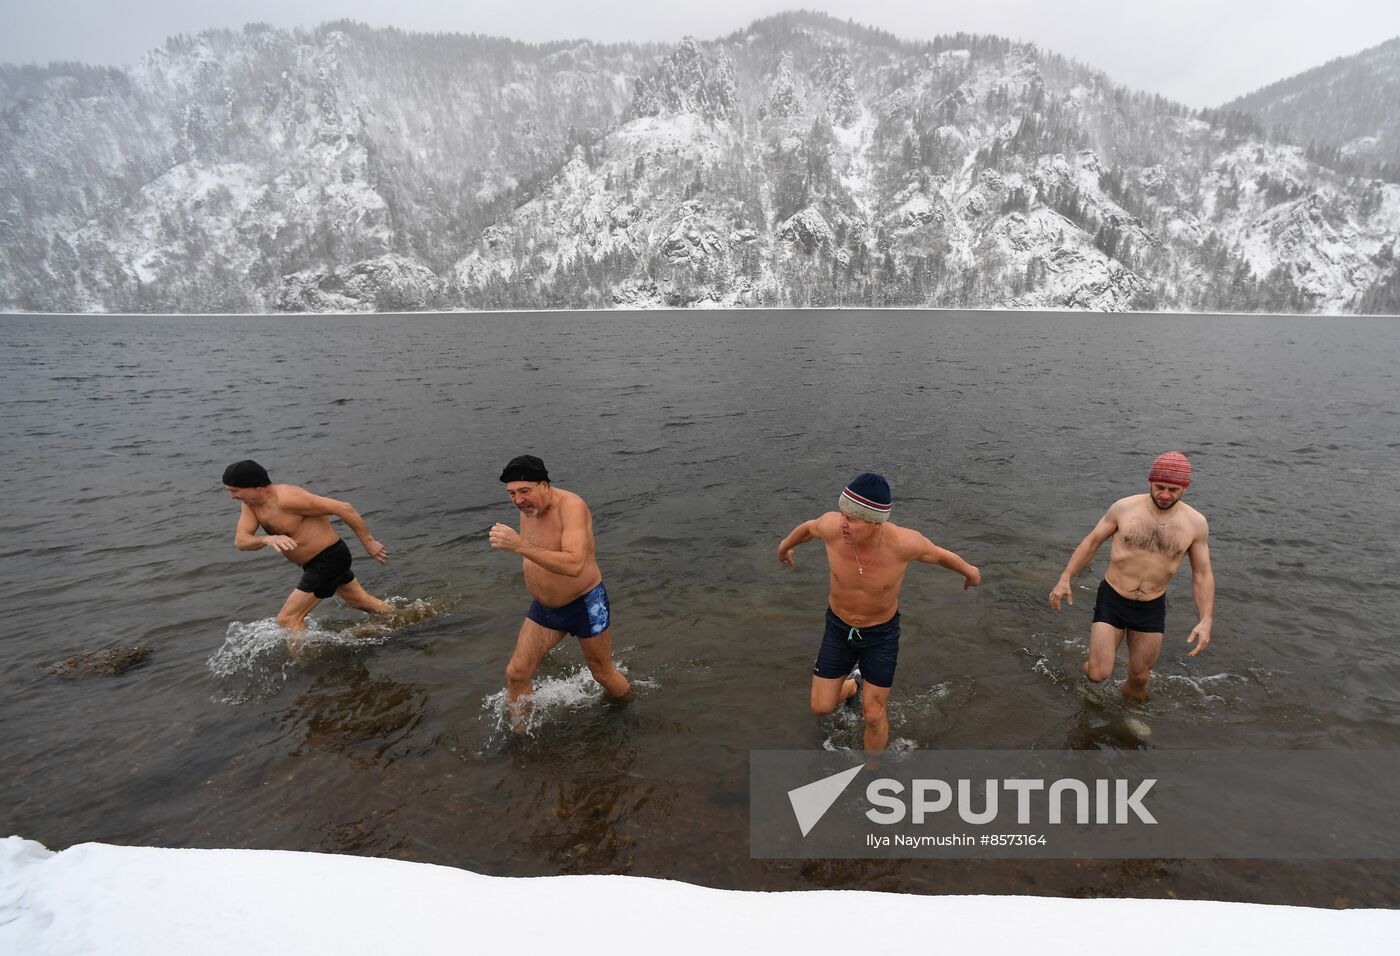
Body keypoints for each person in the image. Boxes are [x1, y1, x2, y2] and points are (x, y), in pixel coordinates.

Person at [777, 472, 981, 752]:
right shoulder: (832, 528)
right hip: (838, 628)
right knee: (821, 706)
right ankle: (851, 687)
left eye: (852, 518)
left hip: (881, 635)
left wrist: (971, 573)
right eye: (841, 513)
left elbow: (940, 555)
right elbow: (809, 528)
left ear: (875, 523)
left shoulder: (904, 544)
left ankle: (872, 770)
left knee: (873, 714)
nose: (842, 522)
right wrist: (784, 547)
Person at [1049, 451, 1215, 702]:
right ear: (1150, 481)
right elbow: (1092, 542)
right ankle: (1089, 680)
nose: (1165, 494)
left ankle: (1131, 713)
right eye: (1159, 487)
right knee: (1098, 673)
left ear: (1185, 488)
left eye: (1173, 489)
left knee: (1140, 677)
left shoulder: (1195, 523)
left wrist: (1206, 619)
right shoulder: (1124, 508)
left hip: (1151, 604)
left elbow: (1201, 574)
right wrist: (1065, 577)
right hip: (1114, 596)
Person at [488, 455, 630, 729]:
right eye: (511, 494)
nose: (518, 500)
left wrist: (518, 545)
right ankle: (519, 736)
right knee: (517, 673)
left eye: (524, 491)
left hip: (586, 604)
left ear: (545, 485)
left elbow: (575, 564)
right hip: (545, 608)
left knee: (602, 673)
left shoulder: (572, 507)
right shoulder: (527, 507)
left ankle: (629, 710)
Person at [223, 460, 392, 644]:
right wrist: (267, 539)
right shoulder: (251, 505)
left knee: (288, 619)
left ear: (256, 487)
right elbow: (241, 541)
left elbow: (343, 508)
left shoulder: (288, 498)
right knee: (361, 602)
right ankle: (404, 618)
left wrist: (369, 542)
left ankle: (306, 668)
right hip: (314, 564)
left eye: (235, 490)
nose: (232, 496)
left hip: (329, 559)